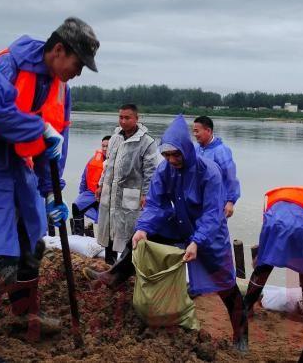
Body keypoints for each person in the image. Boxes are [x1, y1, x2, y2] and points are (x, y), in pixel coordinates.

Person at [0, 17, 99, 362]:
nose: (79, 73)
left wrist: (50, 191)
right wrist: (39, 129)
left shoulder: (58, 85)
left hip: (14, 167)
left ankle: (23, 317)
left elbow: (51, 144)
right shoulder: (8, 66)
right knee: (0, 262)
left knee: (32, 242)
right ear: (58, 50)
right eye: (78, 64)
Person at [83, 115, 248, 351]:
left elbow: (212, 214)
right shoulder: (165, 169)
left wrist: (197, 242)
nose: (172, 160)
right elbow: (155, 205)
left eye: (176, 154)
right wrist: (142, 229)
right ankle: (114, 276)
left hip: (210, 234)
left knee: (226, 285)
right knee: (142, 237)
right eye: (167, 155)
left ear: (187, 150)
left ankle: (240, 336)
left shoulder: (209, 172)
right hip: (180, 224)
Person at [243, 186, 303, 321]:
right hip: (302, 230)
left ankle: (246, 308)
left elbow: (266, 225)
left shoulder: (283, 197)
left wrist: (261, 255)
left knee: (264, 266)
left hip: (274, 226)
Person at [95, 104, 158, 264]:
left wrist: (146, 194)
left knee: (128, 231)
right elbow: (108, 163)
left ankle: (126, 268)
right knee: (108, 228)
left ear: (137, 118)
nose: (123, 121)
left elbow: (150, 172)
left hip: (131, 193)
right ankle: (108, 264)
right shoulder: (115, 138)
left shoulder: (147, 142)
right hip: (110, 191)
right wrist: (101, 184)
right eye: (120, 117)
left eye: (127, 117)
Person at [192, 115, 241, 218]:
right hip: (198, 200)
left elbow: (230, 177)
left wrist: (230, 202)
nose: (194, 134)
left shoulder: (221, 151)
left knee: (215, 230)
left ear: (208, 131)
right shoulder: (196, 149)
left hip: (216, 201)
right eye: (193, 131)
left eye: (197, 131)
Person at [71, 135, 111, 235]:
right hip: (92, 193)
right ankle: (78, 235)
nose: (105, 148)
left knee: (107, 221)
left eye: (108, 146)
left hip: (108, 196)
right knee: (76, 205)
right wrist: (81, 194)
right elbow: (84, 177)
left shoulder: (118, 161)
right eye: (103, 146)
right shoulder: (94, 159)